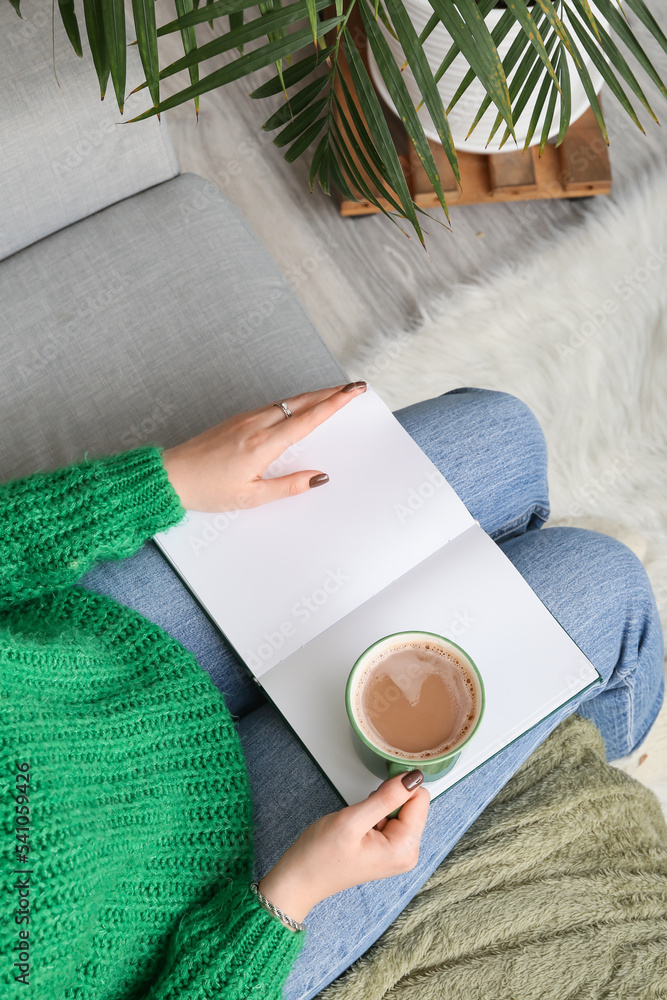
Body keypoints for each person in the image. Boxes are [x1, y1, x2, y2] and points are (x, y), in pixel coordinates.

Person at [1, 382, 663, 1000]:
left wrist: (159, 481)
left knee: (501, 433)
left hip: (82, 657)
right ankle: (601, 736)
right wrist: (289, 896)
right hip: (207, 901)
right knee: (605, 582)